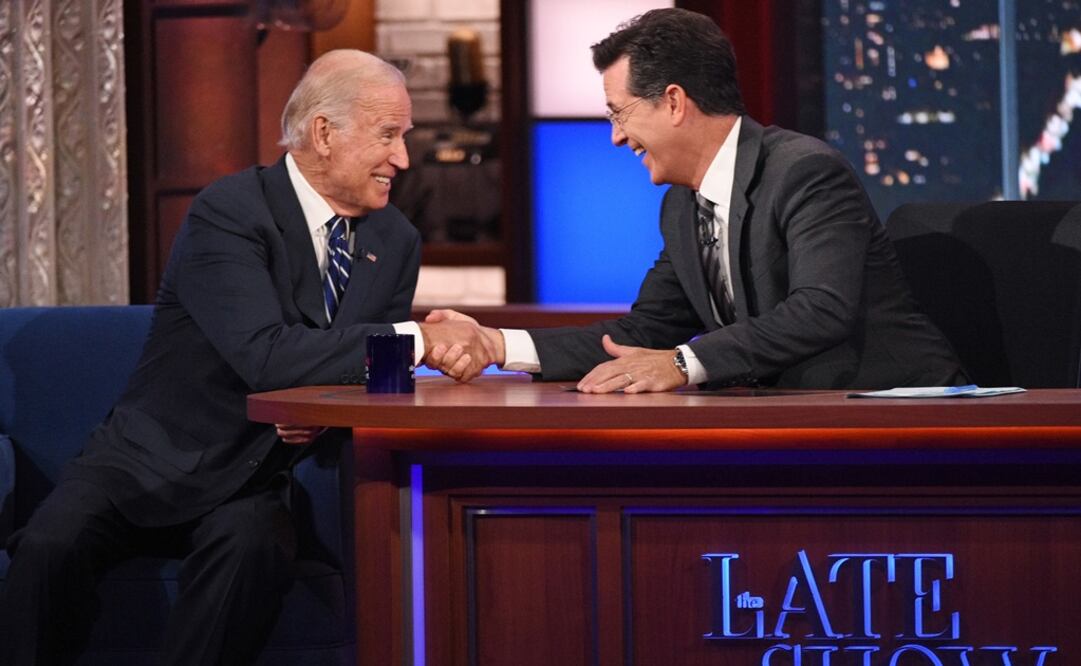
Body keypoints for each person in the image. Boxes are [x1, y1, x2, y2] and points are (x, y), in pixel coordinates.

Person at [0, 49, 491, 665]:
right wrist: (417, 339)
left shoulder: (395, 239)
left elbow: (371, 374)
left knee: (254, 549)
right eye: (388, 135)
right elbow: (266, 356)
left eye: (404, 136)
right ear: (324, 134)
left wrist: (325, 412)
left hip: (257, 478)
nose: (403, 158)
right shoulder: (230, 211)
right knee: (49, 547)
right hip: (149, 460)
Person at [426, 8, 966, 393]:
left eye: (619, 113)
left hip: (898, 411)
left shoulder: (804, 172)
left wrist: (683, 364)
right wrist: (497, 345)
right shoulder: (682, 205)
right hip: (795, 419)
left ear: (674, 102)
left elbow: (819, 310)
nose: (616, 137)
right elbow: (641, 335)